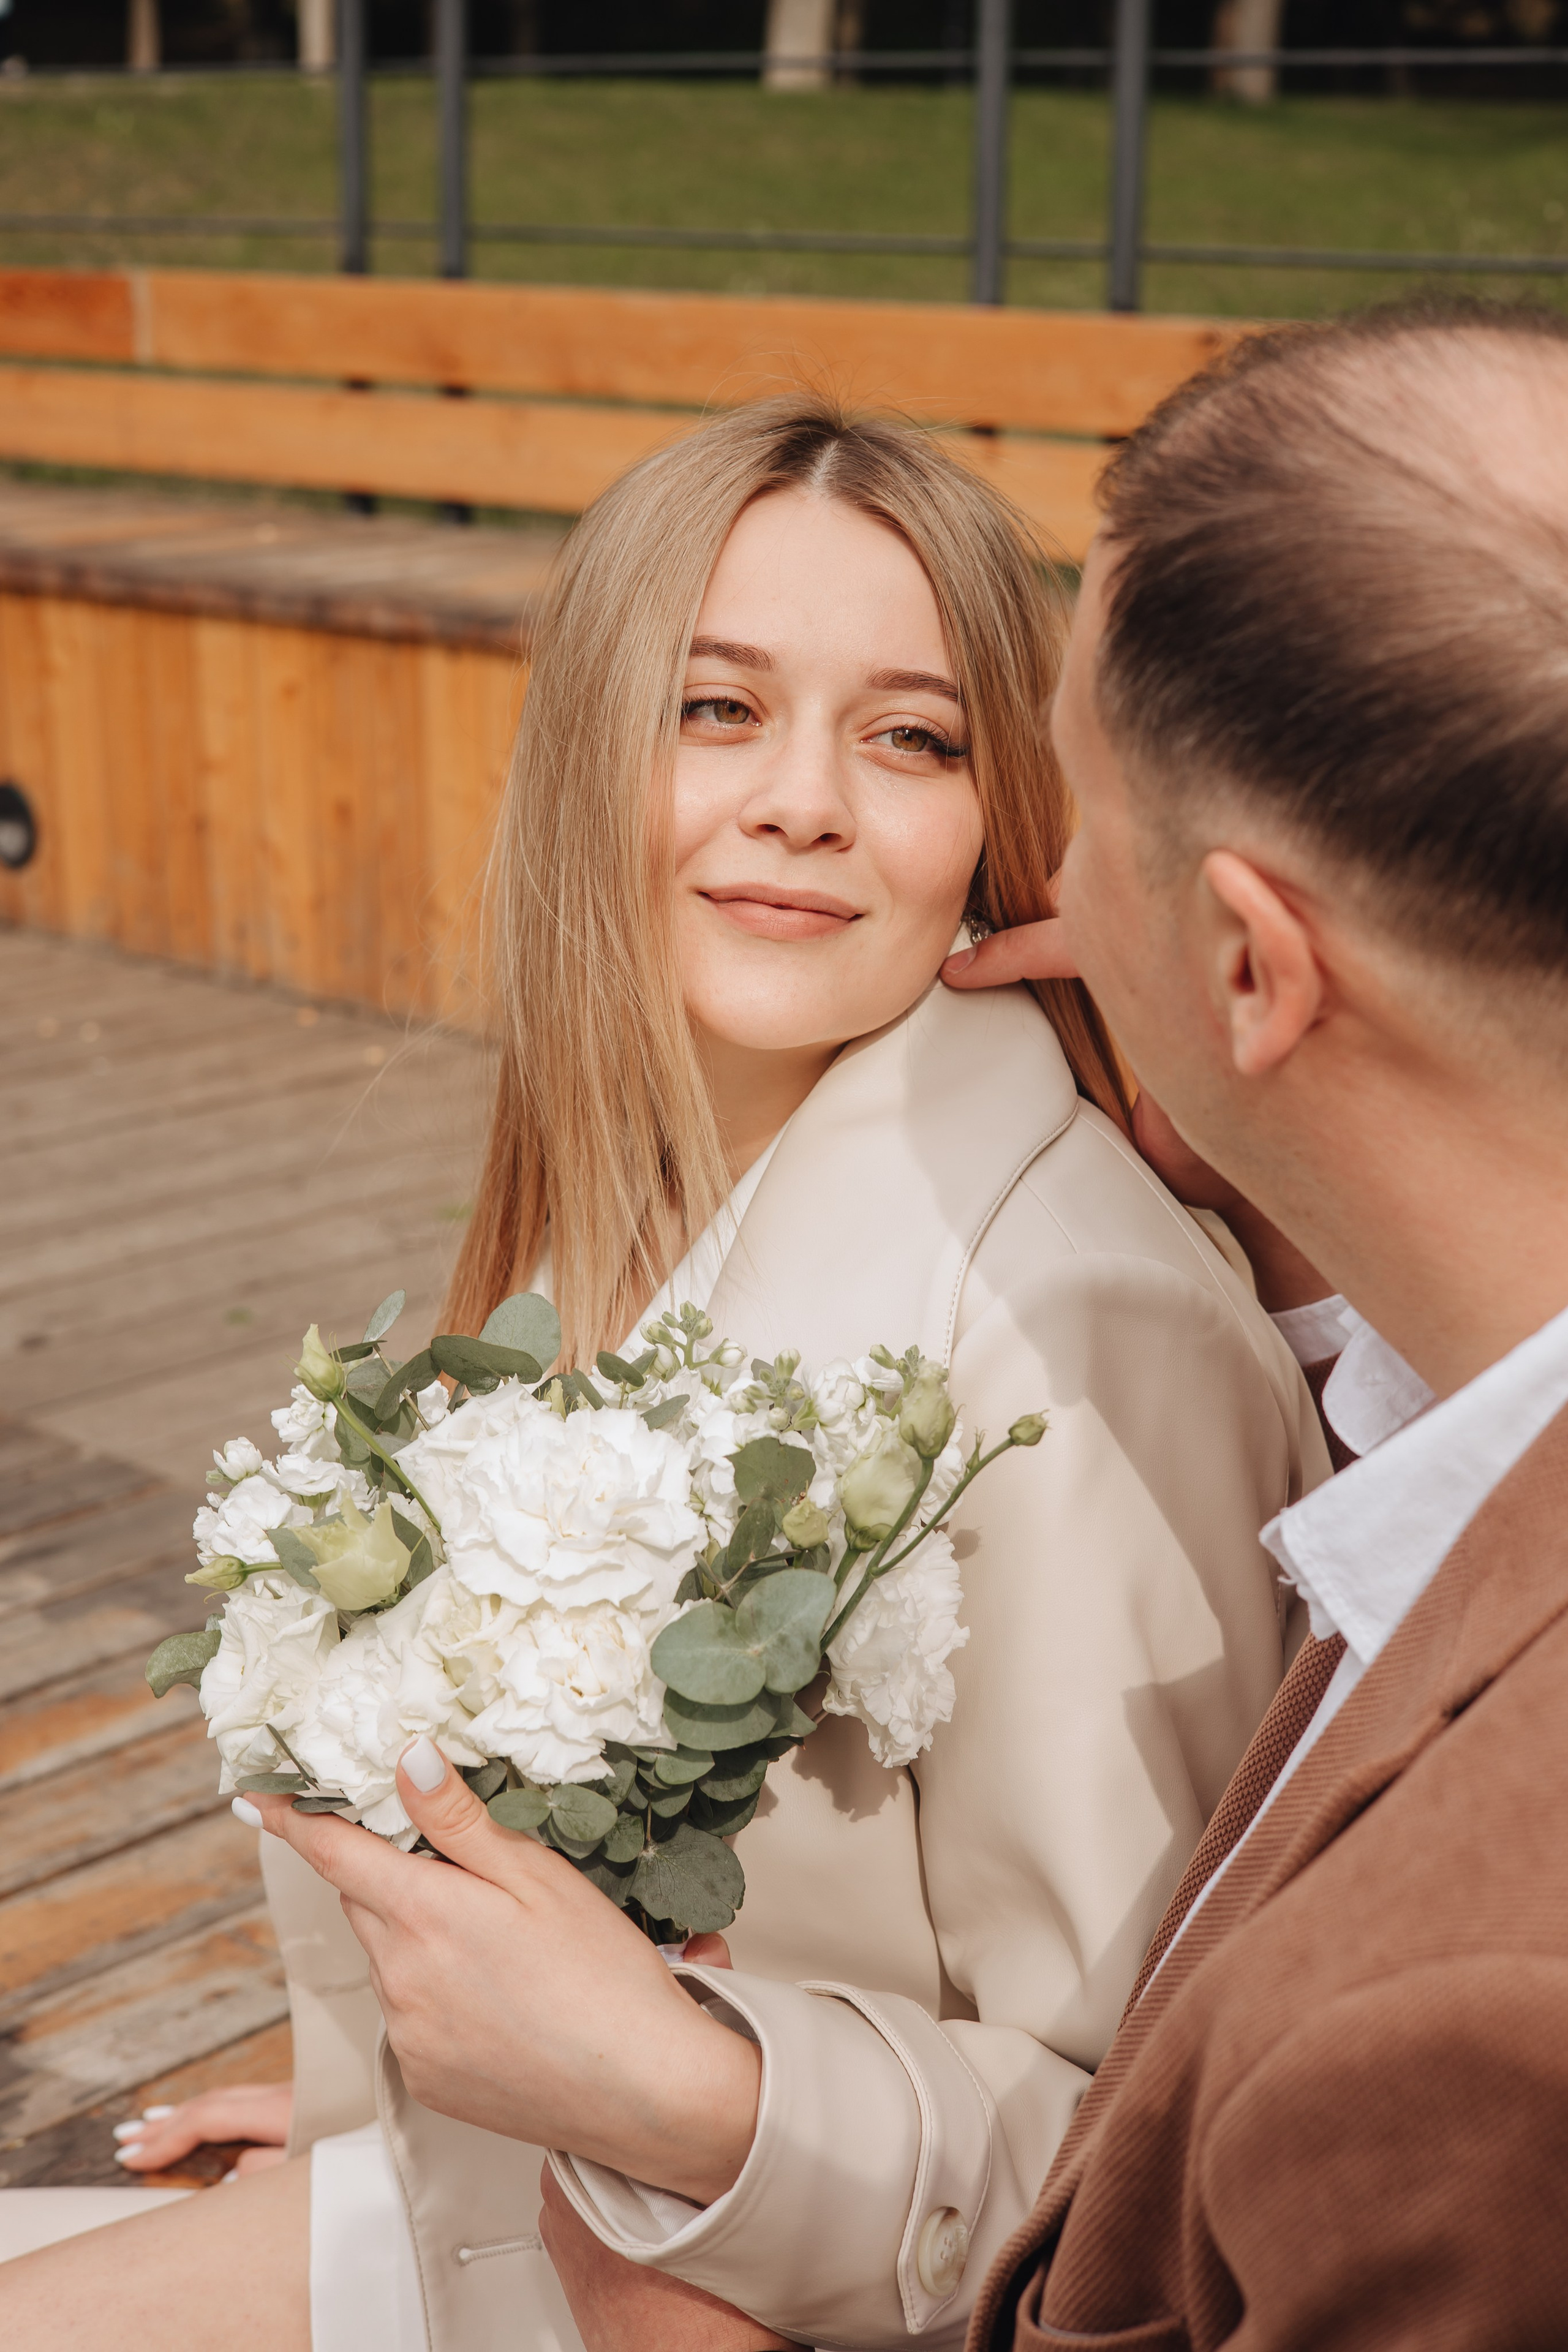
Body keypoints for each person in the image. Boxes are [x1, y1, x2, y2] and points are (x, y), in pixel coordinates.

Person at [0, 398, 1327, 2348]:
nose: (806, 801)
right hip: (520, 2211)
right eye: (718, 710)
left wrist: (684, 2106)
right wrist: (435, 2107)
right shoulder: (591, 1228)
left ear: (998, 821)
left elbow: (1152, 2154)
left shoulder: (1070, 1323)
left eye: (913, 736)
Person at [547, 298, 1568, 2350]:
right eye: (711, 707)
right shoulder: (1389, 1418)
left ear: (1251, 967)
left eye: (1070, 809)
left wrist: (654, 2126)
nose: (1041, 894)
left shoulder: (1478, 2030)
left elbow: (1110, 2123)